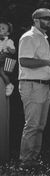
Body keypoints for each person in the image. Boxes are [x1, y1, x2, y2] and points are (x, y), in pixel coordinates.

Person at [18, 8, 50, 169]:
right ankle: (26, 161)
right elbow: (24, 61)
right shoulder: (29, 37)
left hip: (43, 85)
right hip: (31, 84)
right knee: (32, 124)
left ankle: (33, 159)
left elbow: (39, 62)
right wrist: (48, 64)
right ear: (36, 20)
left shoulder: (42, 37)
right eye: (46, 18)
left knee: (40, 125)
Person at [0, 20, 16, 163]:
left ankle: (9, 84)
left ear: (8, 32)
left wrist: (6, 50)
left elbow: (12, 51)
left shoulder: (8, 41)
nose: (0, 30)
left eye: (3, 28)